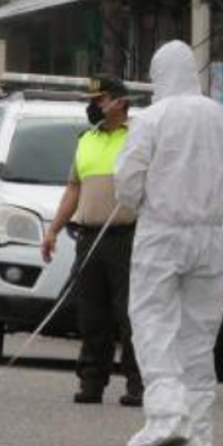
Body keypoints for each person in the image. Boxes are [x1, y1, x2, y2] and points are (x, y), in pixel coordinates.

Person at [115, 40, 223, 446]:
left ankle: (167, 415)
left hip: (162, 232)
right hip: (208, 237)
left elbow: (127, 180)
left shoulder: (152, 119)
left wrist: (141, 203)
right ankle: (199, 430)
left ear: (159, 75)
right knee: (199, 334)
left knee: (153, 321)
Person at [40, 76, 143, 407]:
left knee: (131, 314)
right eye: (93, 100)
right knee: (92, 314)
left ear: (120, 101)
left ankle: (138, 383)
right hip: (89, 236)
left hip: (128, 237)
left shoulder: (139, 136)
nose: (93, 106)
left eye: (100, 100)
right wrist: (53, 229)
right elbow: (74, 188)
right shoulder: (87, 139)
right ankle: (92, 382)